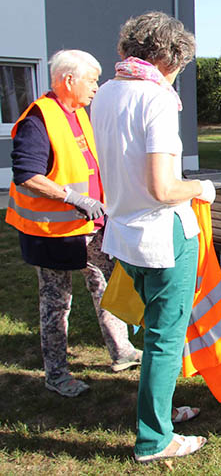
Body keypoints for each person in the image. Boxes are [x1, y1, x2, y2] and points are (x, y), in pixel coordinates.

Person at [91, 11, 214, 463]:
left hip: (125, 233)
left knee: (153, 336)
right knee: (164, 341)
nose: (180, 74)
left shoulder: (105, 93)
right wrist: (202, 187)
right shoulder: (157, 99)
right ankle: (154, 441)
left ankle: (159, 414)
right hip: (163, 236)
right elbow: (164, 188)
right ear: (166, 57)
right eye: (180, 65)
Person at [5, 49, 141, 398]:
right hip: (51, 233)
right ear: (69, 80)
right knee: (56, 302)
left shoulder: (79, 114)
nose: (96, 87)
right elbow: (27, 176)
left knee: (106, 287)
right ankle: (57, 374)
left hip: (88, 228)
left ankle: (121, 351)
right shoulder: (39, 119)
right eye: (91, 80)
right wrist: (74, 198)